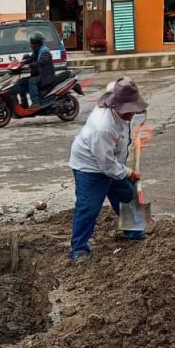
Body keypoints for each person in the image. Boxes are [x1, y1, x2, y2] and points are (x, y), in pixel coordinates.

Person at [69, 78, 147, 261]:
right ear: (115, 105)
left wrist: (138, 106)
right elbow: (107, 165)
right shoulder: (102, 127)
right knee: (88, 207)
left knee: (127, 196)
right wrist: (129, 173)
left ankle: (135, 232)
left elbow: (116, 84)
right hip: (90, 167)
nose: (131, 113)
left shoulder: (117, 95)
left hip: (113, 161)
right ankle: (79, 249)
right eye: (129, 110)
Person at [18, 31, 56, 107]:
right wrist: (22, 63)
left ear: (36, 44)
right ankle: (24, 104)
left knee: (32, 81)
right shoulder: (37, 51)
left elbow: (42, 62)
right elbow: (31, 58)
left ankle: (36, 103)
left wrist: (29, 66)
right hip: (39, 75)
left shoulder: (45, 52)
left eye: (32, 43)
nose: (31, 45)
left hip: (46, 76)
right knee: (21, 82)